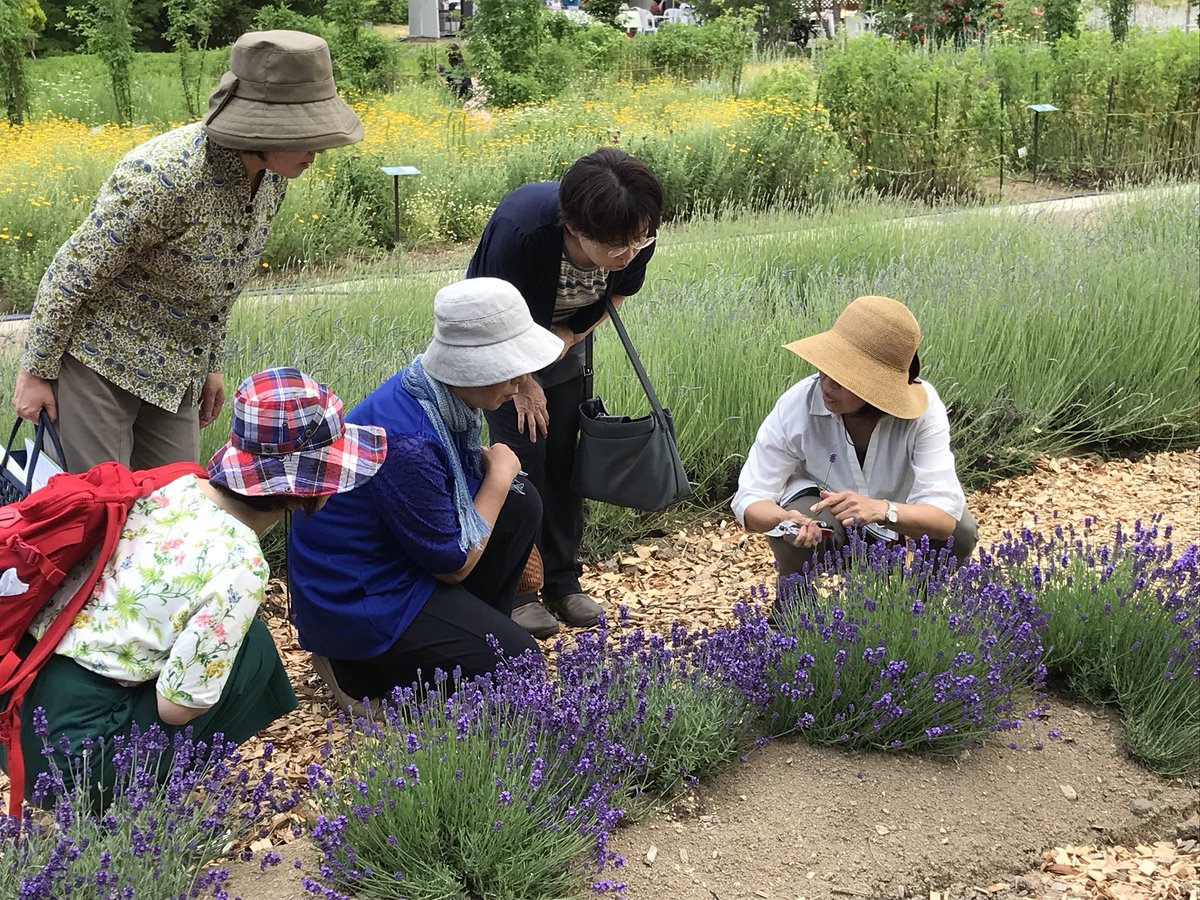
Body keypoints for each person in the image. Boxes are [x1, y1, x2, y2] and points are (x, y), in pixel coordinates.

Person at [0, 368, 386, 806]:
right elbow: (175, 709)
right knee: (253, 651)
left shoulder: (172, 484)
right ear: (312, 488)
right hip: (71, 761)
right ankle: (125, 799)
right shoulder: (240, 563)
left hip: (18, 707)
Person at [11, 30, 363, 474]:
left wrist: (209, 364)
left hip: (176, 372)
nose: (319, 148)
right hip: (98, 365)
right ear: (259, 128)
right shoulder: (165, 176)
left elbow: (225, 280)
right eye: (306, 134)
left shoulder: (273, 177)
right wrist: (37, 372)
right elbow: (69, 274)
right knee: (99, 514)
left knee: (176, 508)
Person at [287, 278, 564, 704]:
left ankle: (462, 632)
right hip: (359, 596)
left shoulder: (433, 393)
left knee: (521, 505)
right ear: (474, 369)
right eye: (511, 370)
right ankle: (353, 670)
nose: (521, 381)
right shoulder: (408, 441)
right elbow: (451, 565)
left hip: (395, 564)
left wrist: (503, 483)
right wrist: (498, 475)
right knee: (518, 665)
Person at [466, 147, 663, 638]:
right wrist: (524, 383)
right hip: (498, 346)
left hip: (561, 340)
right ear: (576, 229)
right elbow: (495, 318)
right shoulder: (524, 231)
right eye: (618, 246)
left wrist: (571, 337)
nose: (631, 251)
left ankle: (562, 579)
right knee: (518, 462)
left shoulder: (635, 233)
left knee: (562, 460)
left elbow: (618, 293)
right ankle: (518, 590)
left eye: (640, 239)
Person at [732, 295, 978, 590]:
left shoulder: (924, 411)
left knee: (962, 533)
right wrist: (784, 521)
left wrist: (882, 510)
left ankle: (917, 606)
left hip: (896, 511)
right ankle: (793, 614)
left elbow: (945, 517)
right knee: (795, 535)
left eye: (843, 376)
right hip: (825, 513)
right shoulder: (797, 403)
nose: (826, 383)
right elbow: (749, 497)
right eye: (826, 367)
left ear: (878, 387)